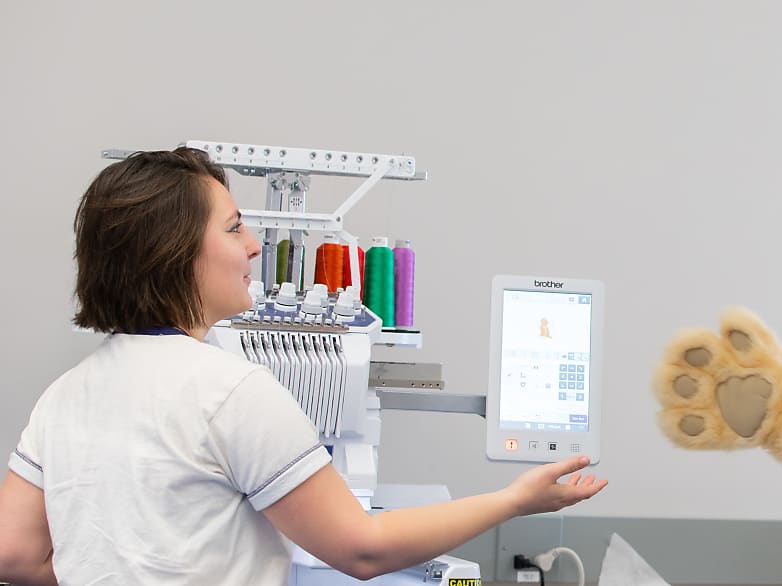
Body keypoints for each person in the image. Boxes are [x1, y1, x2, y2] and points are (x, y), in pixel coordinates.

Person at [0, 148, 608, 584]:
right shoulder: (229, 391)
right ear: (178, 253)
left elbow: (16, 556)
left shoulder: (63, 396)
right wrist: (513, 501)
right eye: (235, 227)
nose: (254, 246)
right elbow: (361, 550)